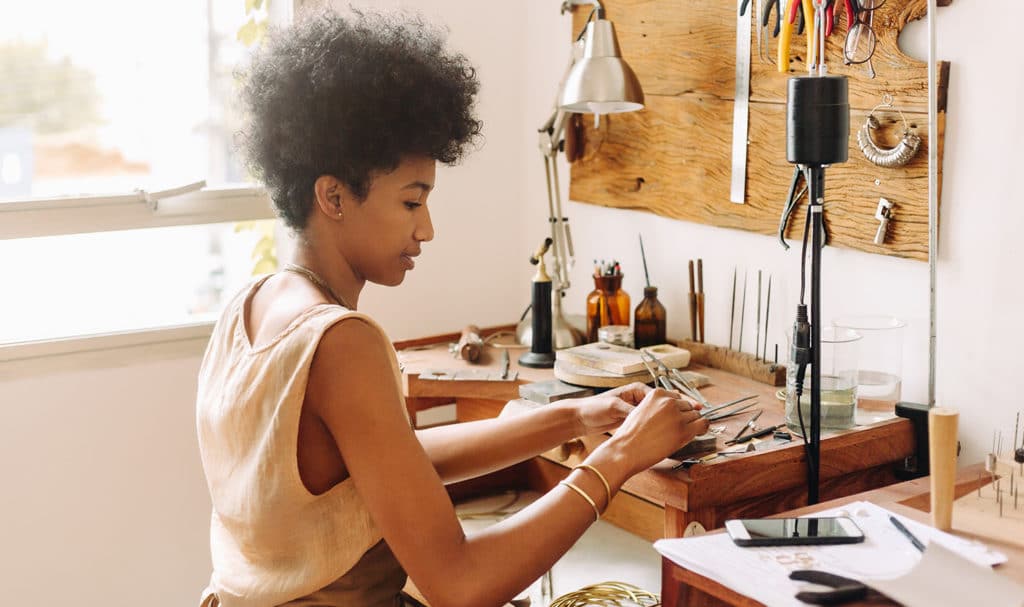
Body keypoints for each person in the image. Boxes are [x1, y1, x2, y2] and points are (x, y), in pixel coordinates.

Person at [195, 8, 709, 607]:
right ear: (332, 195)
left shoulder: (250, 305)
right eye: (412, 202)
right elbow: (460, 584)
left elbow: (386, 466)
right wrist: (619, 459)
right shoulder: (341, 341)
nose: (428, 229)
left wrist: (575, 418)